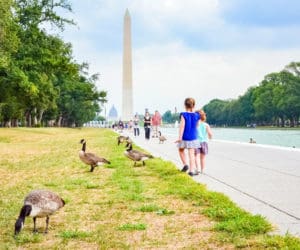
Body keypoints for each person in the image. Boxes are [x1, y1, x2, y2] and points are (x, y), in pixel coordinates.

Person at [175, 98, 200, 176]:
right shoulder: (197, 115)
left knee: (181, 150)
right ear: (193, 105)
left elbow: (182, 127)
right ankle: (191, 171)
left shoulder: (183, 114)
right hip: (193, 137)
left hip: (185, 137)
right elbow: (197, 126)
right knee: (191, 154)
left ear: (185, 105)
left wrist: (179, 138)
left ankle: (185, 164)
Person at [195, 110, 212, 174]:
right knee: (202, 158)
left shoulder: (195, 125)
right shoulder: (206, 125)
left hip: (196, 142)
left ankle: (198, 169)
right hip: (204, 142)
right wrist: (210, 137)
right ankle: (202, 170)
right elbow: (210, 134)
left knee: (196, 156)